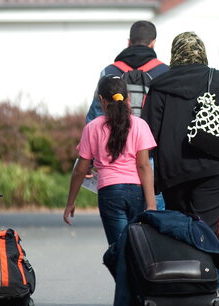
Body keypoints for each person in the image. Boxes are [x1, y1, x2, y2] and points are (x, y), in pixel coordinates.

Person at [141, 31, 219, 232]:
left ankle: (184, 262)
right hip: (214, 168)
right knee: (206, 230)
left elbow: (148, 132)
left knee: (179, 230)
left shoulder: (160, 85)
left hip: (173, 172)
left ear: (175, 53)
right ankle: (209, 263)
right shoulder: (217, 79)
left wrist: (142, 171)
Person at [84, 20, 169, 210]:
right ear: (153, 43)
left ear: (129, 41)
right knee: (154, 227)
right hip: (153, 162)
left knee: (121, 230)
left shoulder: (109, 72)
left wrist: (88, 160)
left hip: (114, 163)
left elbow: (95, 115)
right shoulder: (165, 73)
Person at [64, 75, 157, 246]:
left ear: (101, 99)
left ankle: (124, 273)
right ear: (127, 98)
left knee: (118, 249)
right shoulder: (140, 125)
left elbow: (80, 170)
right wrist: (151, 205)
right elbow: (144, 165)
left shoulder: (92, 128)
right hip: (137, 193)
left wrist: (70, 202)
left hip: (110, 193)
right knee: (136, 246)